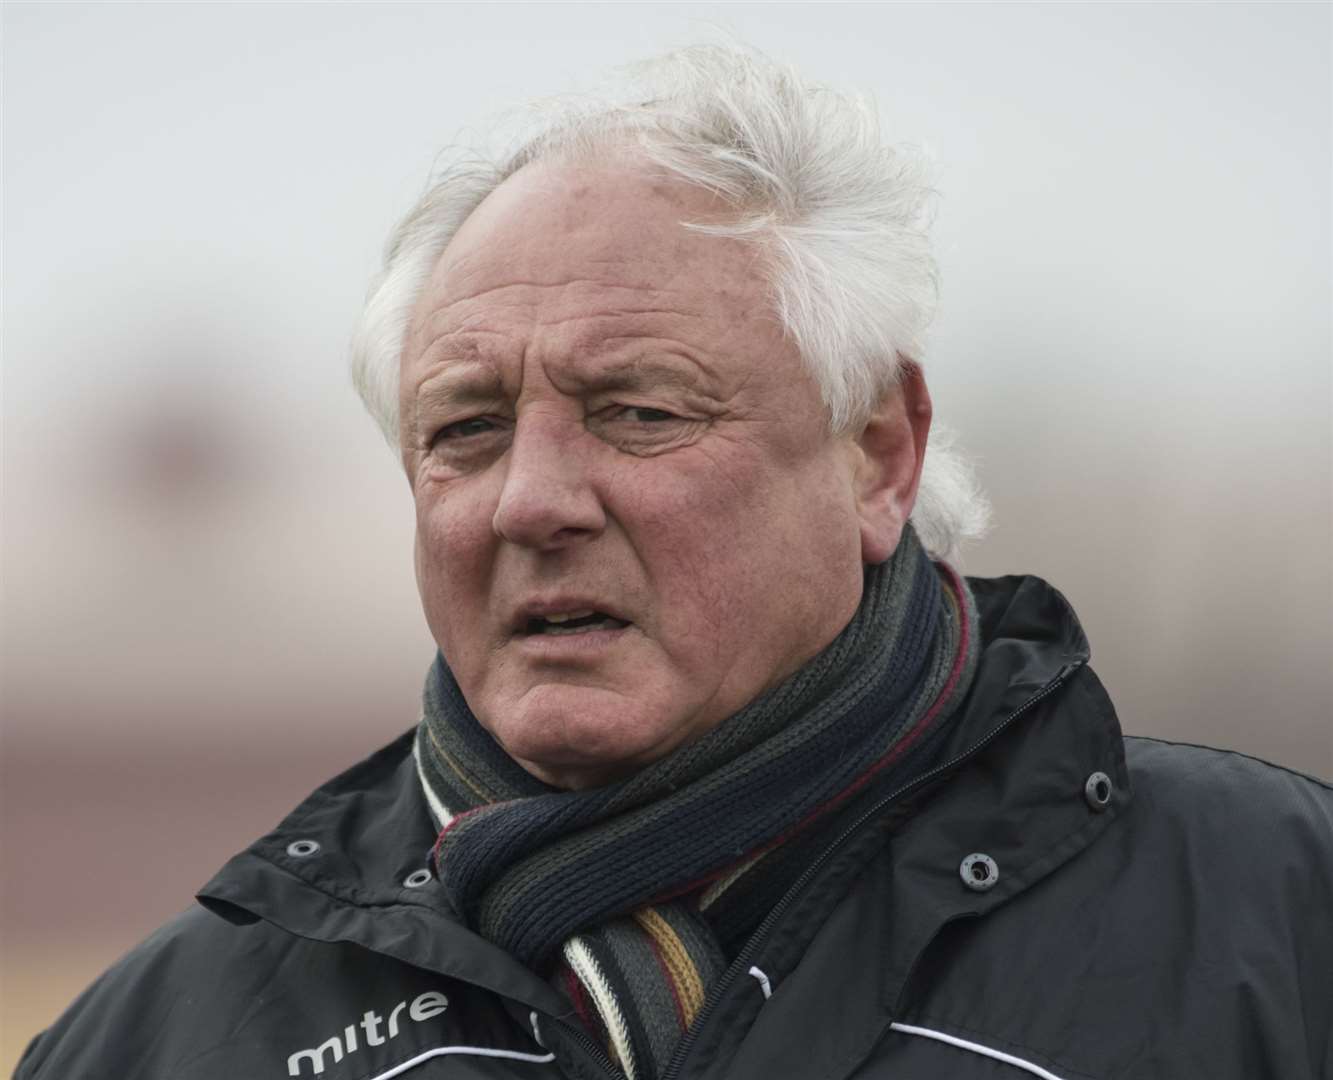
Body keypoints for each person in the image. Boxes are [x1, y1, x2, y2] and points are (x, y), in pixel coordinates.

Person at [16, 45, 1331, 1080]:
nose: (530, 501)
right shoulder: (159, 1045)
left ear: (876, 453)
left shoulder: (1271, 918)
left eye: (639, 413)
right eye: (464, 432)